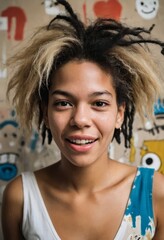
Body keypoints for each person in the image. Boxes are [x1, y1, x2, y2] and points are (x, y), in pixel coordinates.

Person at [1, 0, 164, 239]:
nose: (80, 119)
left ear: (119, 114)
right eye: (63, 103)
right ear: (46, 113)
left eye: (99, 103)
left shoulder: (154, 192)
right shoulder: (21, 197)